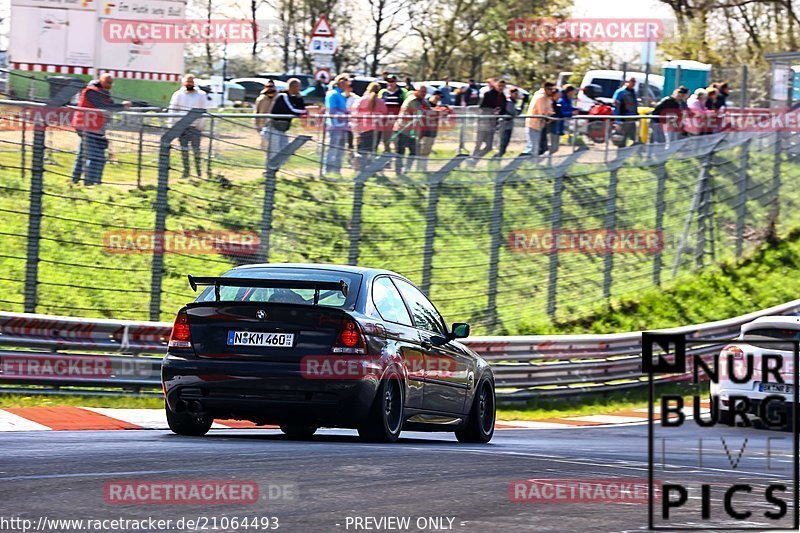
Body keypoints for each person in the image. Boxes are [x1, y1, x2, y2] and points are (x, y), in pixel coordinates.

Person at [71, 74, 131, 185]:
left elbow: (110, 106)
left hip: (92, 127)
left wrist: (123, 106)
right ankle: (91, 183)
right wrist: (122, 106)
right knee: (97, 157)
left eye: (111, 83)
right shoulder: (92, 91)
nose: (110, 85)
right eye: (108, 82)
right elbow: (104, 106)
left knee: (82, 154)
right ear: (101, 81)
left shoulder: (102, 93)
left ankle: (74, 179)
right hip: (88, 127)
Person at [168, 74, 210, 179]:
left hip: (195, 126)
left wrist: (201, 125)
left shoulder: (201, 95)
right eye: (187, 82)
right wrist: (172, 125)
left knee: (196, 149)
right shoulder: (178, 95)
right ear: (184, 82)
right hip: (182, 126)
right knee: (184, 149)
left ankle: (198, 171)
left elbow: (204, 110)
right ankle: (186, 171)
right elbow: (172, 109)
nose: (189, 84)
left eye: (191, 82)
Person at [268, 77, 307, 158]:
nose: (298, 89)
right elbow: (292, 110)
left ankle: (277, 169)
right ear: (292, 87)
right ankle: (269, 169)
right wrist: (305, 112)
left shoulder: (293, 97)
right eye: (297, 87)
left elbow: (301, 108)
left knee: (284, 151)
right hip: (274, 128)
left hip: (283, 129)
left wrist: (299, 97)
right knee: (273, 152)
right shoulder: (283, 95)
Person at [393, 85, 428, 175]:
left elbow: (427, 109)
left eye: (425, 92)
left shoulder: (419, 100)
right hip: (402, 129)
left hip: (409, 130)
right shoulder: (413, 100)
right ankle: (398, 172)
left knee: (414, 150)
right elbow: (421, 112)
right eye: (422, 92)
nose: (424, 94)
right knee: (401, 151)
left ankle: (406, 169)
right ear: (417, 91)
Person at [354, 82, 388, 166]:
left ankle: (362, 169)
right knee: (373, 151)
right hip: (377, 130)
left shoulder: (361, 100)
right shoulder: (381, 102)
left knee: (362, 151)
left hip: (364, 129)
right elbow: (384, 114)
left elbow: (354, 115)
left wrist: (356, 133)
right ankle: (370, 169)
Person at [472, 78, 507, 159]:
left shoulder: (503, 97)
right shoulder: (488, 94)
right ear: (496, 86)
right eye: (499, 86)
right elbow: (482, 107)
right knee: (479, 142)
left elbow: (503, 110)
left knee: (489, 146)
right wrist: (492, 110)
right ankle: (473, 158)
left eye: (503, 86)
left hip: (493, 124)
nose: (501, 88)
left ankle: (475, 158)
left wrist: (499, 112)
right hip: (484, 122)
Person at [323, 74, 350, 175]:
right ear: (341, 83)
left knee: (340, 149)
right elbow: (332, 110)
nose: (347, 86)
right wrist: (345, 114)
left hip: (343, 126)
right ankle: (328, 170)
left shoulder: (342, 96)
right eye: (346, 84)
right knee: (332, 148)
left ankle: (337, 170)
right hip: (335, 126)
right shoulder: (333, 94)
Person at [418, 89, 449, 171]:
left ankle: (422, 167)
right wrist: (435, 111)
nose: (437, 99)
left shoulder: (438, 106)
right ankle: (419, 167)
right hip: (423, 129)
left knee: (427, 149)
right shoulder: (425, 103)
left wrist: (438, 111)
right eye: (436, 96)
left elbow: (443, 113)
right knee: (421, 149)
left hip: (432, 130)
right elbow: (426, 113)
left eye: (439, 98)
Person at [523, 81, 555, 156]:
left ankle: (534, 164)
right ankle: (521, 162)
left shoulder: (547, 98)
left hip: (540, 125)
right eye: (550, 89)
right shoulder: (540, 97)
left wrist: (551, 115)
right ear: (546, 89)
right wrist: (548, 117)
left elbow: (550, 110)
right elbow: (542, 112)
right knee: (533, 147)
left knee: (539, 147)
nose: (552, 91)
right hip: (533, 124)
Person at [379, 74, 408, 152]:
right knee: (386, 139)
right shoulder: (383, 92)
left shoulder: (402, 91)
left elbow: (405, 104)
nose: (390, 83)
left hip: (397, 119)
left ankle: (398, 157)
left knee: (396, 139)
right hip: (386, 120)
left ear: (395, 82)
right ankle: (387, 156)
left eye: (392, 81)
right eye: (388, 81)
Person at [612, 77, 639, 146]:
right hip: (623, 119)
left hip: (632, 119)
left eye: (634, 82)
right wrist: (617, 120)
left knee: (633, 138)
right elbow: (616, 106)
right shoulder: (620, 92)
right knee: (621, 140)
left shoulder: (634, 92)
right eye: (631, 81)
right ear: (626, 82)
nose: (633, 83)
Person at [550, 84, 575, 154]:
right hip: (555, 125)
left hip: (560, 126)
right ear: (569, 92)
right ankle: (539, 159)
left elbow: (569, 108)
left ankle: (546, 160)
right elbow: (561, 113)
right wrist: (571, 113)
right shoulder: (561, 100)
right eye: (573, 93)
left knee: (555, 148)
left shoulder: (568, 100)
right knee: (553, 147)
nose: (573, 94)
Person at [496, 87, 520, 157]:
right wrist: (517, 111)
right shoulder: (509, 102)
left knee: (505, 144)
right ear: (511, 93)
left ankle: (497, 158)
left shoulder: (513, 102)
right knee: (502, 144)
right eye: (515, 94)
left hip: (509, 125)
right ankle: (495, 159)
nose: (516, 95)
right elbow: (513, 112)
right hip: (504, 125)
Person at [255, 81, 278, 151]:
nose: (270, 88)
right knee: (265, 146)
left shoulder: (278, 98)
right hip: (263, 125)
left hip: (275, 125)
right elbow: (257, 112)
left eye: (272, 86)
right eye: (268, 87)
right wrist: (257, 125)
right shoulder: (260, 99)